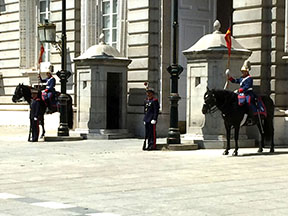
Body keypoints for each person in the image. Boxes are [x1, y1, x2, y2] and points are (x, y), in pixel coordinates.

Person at [227, 60, 257, 124]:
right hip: (241, 94)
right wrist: (229, 77)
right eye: (242, 71)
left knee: (248, 102)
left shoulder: (249, 78)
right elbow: (235, 81)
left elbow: (247, 86)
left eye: (244, 71)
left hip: (248, 93)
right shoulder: (241, 78)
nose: (243, 73)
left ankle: (251, 116)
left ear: (247, 72)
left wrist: (240, 90)